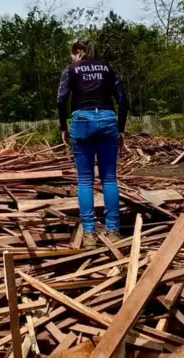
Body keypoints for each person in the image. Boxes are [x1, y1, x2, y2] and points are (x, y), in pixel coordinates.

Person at [57, 39, 129, 249]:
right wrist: (121, 129)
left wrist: (63, 127)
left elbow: (61, 100)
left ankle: (89, 235)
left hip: (82, 122)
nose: (72, 58)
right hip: (108, 121)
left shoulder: (70, 70)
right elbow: (123, 100)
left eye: (73, 53)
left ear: (79, 52)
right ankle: (113, 231)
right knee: (109, 179)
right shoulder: (108, 68)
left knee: (85, 181)